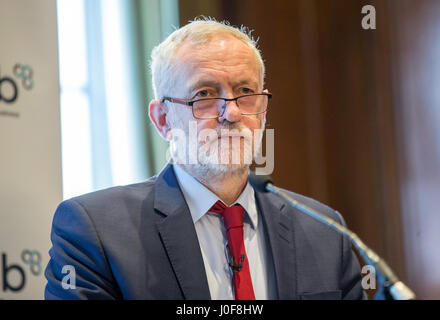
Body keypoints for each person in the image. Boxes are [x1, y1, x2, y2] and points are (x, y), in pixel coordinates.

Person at [44, 18, 366, 300]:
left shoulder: (325, 231)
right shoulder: (95, 232)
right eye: (205, 94)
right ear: (163, 120)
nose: (233, 112)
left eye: (245, 90)